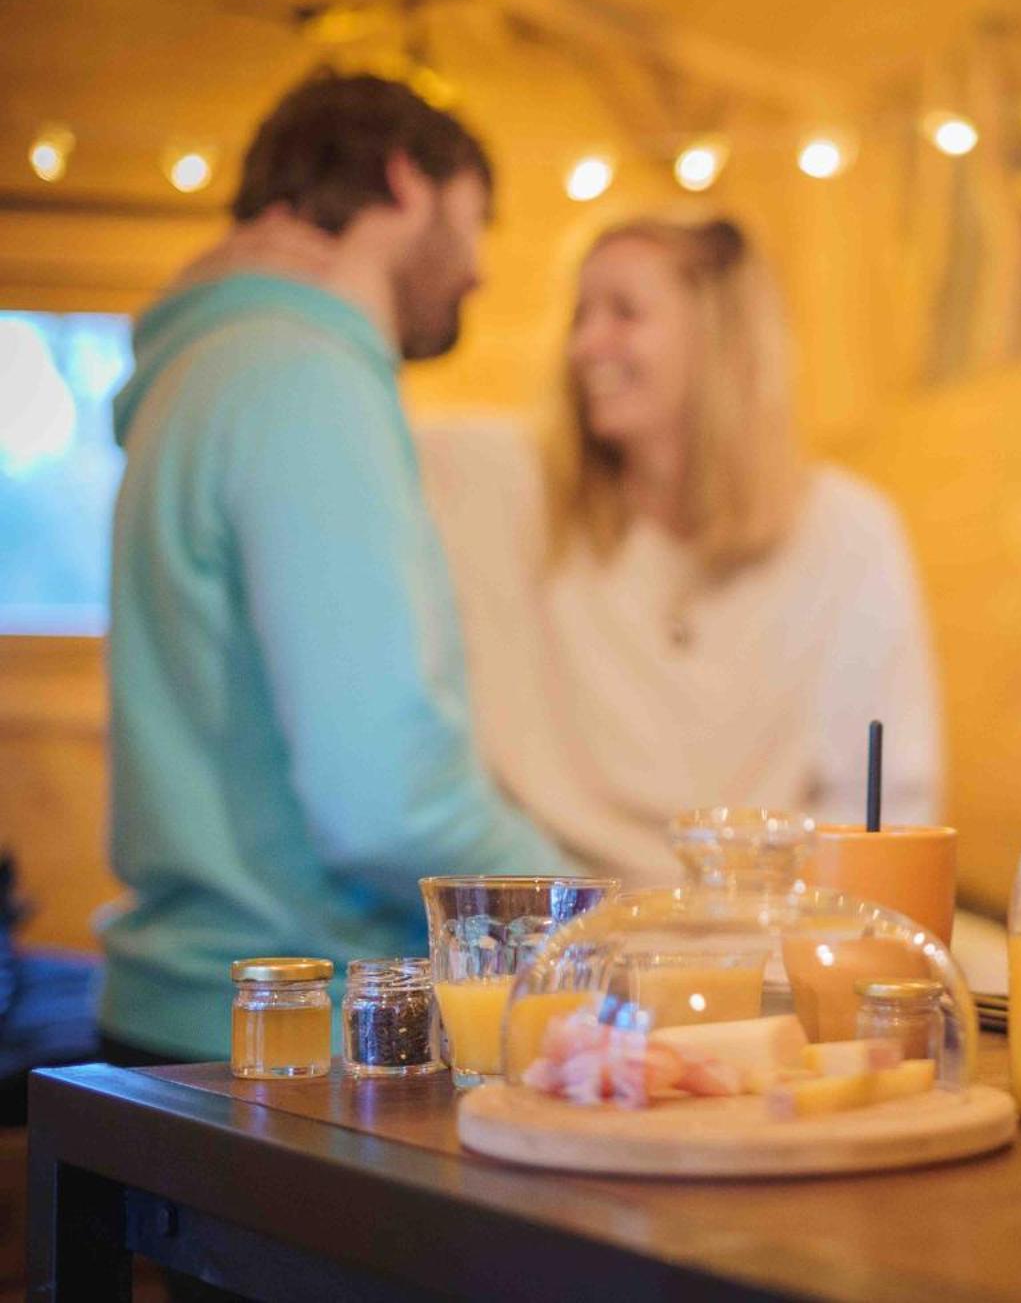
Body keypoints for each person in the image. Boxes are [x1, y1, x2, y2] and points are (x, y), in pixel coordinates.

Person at [99, 73, 567, 1065]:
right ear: (406, 181)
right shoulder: (305, 377)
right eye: (475, 221)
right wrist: (591, 914)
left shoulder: (209, 364)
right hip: (291, 1039)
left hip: (186, 1015)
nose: (478, 269)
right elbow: (389, 800)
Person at [418, 217, 940, 882]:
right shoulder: (511, 490)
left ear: (717, 338)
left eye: (624, 312)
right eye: (582, 315)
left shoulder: (848, 532)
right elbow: (360, 427)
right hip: (577, 938)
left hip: (773, 942)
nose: (585, 344)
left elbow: (889, 802)